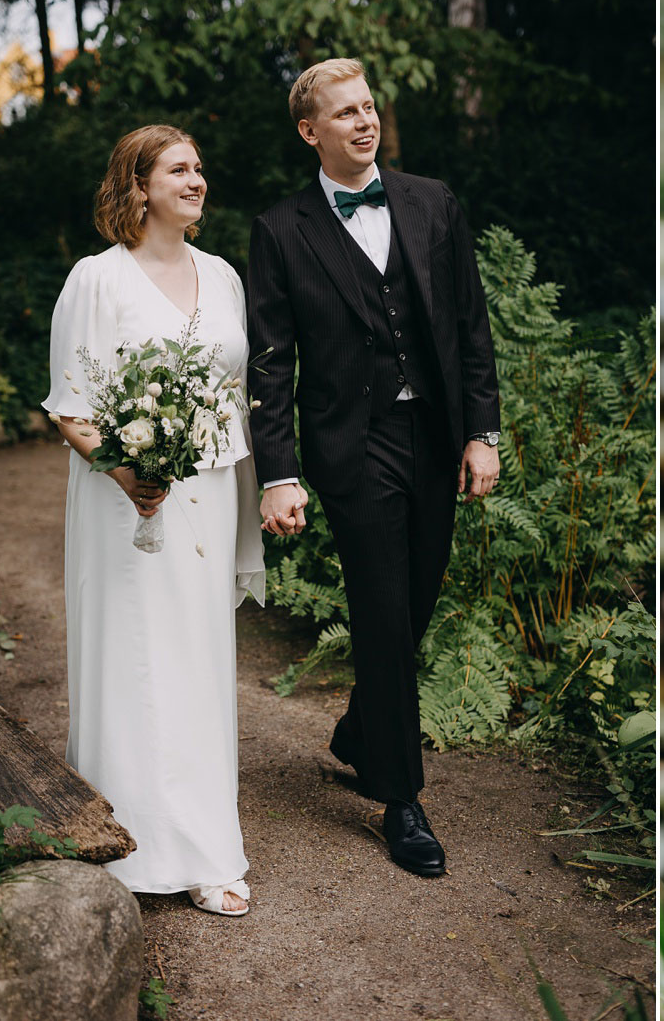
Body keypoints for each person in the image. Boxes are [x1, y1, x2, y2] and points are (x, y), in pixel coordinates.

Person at [245, 58, 501, 878]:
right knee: (384, 608)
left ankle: (362, 728)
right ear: (308, 130)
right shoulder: (281, 229)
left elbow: (469, 326)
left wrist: (482, 431)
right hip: (351, 445)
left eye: (368, 107)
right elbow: (270, 358)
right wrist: (278, 471)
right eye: (343, 113)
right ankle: (400, 797)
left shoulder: (432, 202)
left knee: (417, 593)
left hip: (434, 431)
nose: (363, 122)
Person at [43, 125, 265, 916]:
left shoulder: (226, 278)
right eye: (179, 169)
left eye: (201, 167)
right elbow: (70, 401)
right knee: (133, 660)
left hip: (206, 495)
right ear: (138, 187)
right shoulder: (96, 280)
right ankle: (124, 845)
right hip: (123, 500)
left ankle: (206, 851)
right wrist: (130, 470)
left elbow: (240, 394)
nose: (197, 179)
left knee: (199, 665)